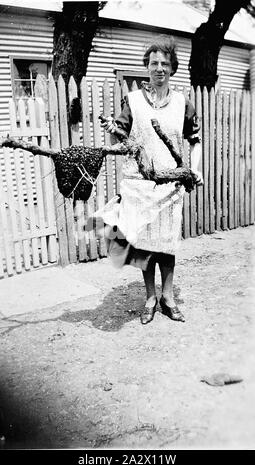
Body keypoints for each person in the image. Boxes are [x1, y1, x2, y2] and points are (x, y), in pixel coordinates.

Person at [98, 36, 203, 325]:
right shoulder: (132, 101)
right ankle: (150, 298)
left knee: (166, 244)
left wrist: (193, 170)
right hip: (138, 184)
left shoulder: (183, 103)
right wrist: (111, 130)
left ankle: (168, 297)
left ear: (172, 69)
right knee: (144, 245)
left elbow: (195, 141)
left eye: (165, 64)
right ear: (147, 66)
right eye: (154, 63)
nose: (159, 68)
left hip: (169, 185)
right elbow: (119, 139)